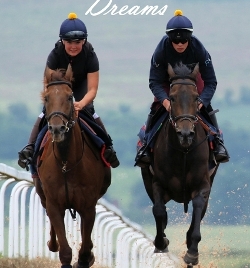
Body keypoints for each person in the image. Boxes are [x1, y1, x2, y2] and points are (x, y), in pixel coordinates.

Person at [18, 12, 119, 170]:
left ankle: (108, 147)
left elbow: (92, 89)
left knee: (91, 113)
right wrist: (54, 103)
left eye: (78, 42)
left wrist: (80, 105)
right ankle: (30, 149)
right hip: (58, 88)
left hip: (81, 89)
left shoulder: (90, 55)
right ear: (62, 41)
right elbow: (48, 87)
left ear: (84, 41)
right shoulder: (54, 55)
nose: (73, 46)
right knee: (45, 112)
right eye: (69, 41)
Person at [135, 9, 230, 167]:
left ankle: (218, 144)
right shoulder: (160, 51)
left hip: (194, 81)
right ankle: (146, 146)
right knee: (156, 108)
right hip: (167, 83)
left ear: (189, 39)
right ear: (170, 39)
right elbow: (154, 82)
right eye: (176, 42)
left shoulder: (200, 50)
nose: (180, 45)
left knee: (207, 108)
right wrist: (165, 102)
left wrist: (201, 101)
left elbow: (211, 81)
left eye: (183, 41)